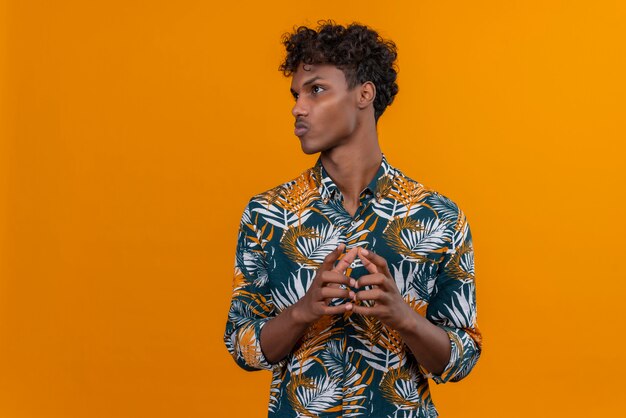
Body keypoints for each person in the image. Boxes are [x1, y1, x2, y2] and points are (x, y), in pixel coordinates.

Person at [224, 21, 481, 418]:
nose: (298, 107)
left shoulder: (438, 216)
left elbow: (461, 359)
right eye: (296, 94)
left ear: (364, 95)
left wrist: (404, 318)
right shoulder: (266, 214)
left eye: (317, 89)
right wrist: (303, 310)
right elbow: (243, 347)